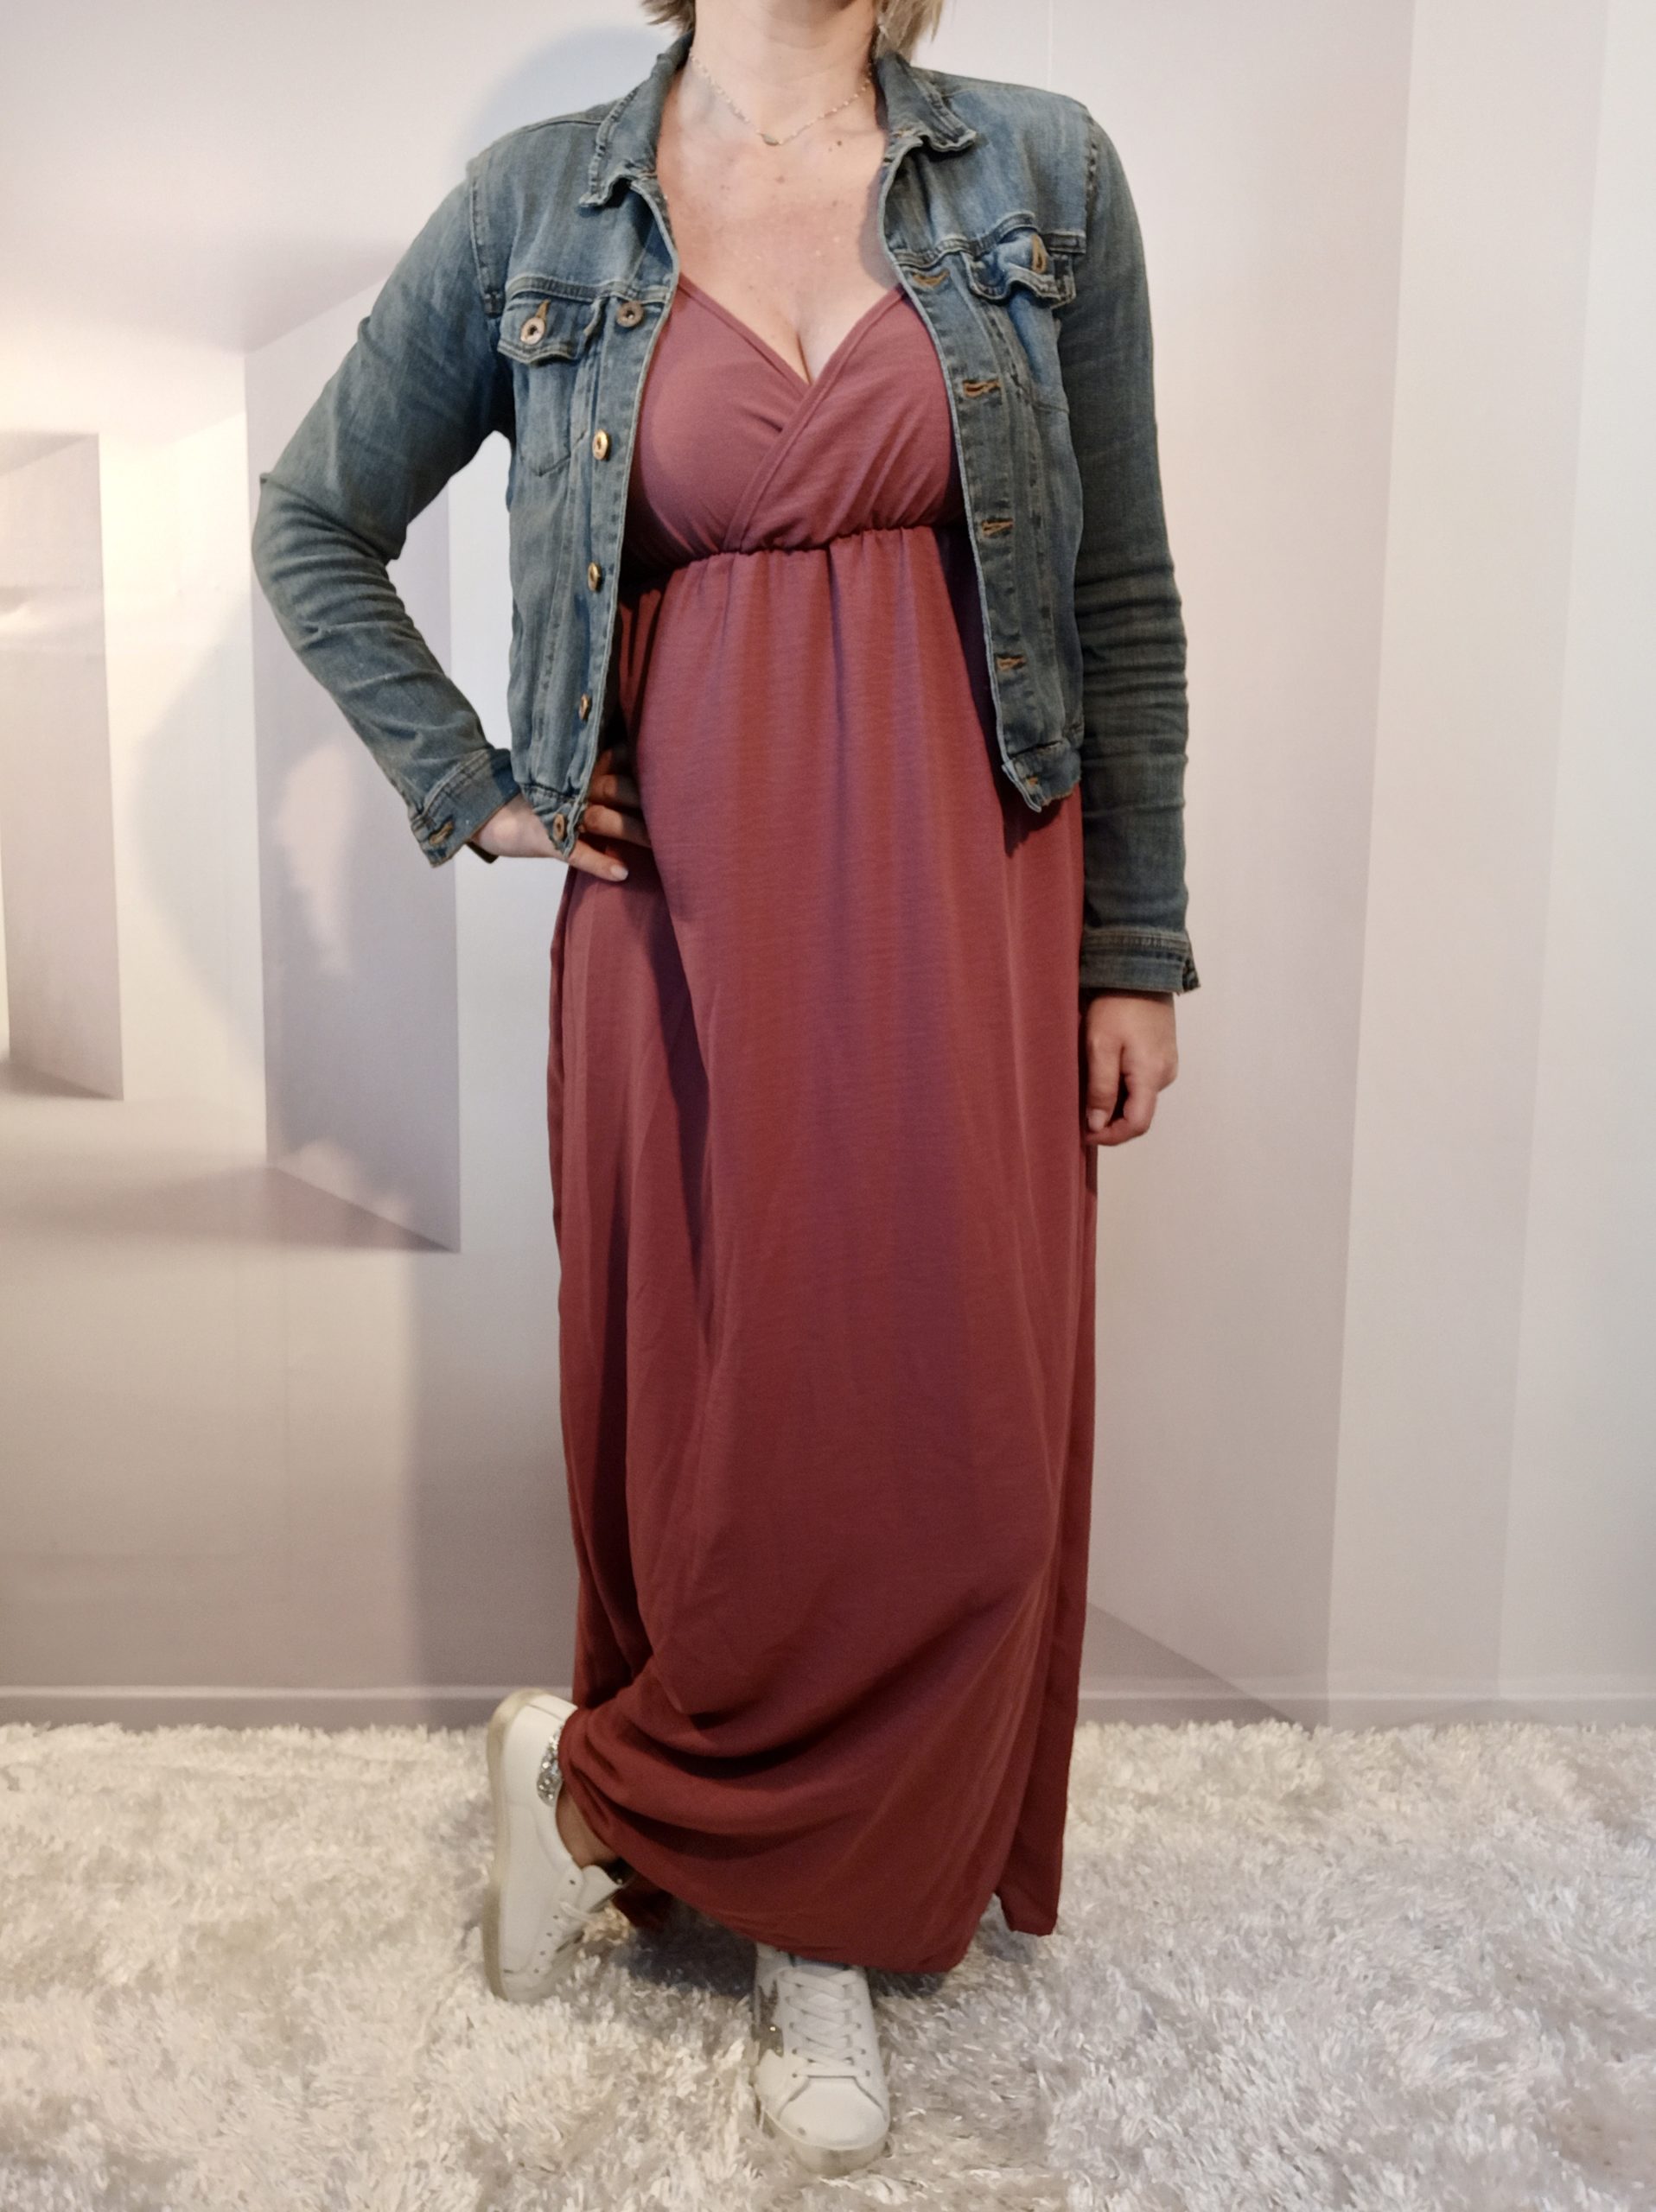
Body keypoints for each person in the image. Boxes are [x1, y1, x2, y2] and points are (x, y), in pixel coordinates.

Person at [251, 0, 1197, 2177]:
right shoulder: (537, 205)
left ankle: (602, 1794)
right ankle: (797, 1922)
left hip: (977, 885)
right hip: (686, 901)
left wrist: (1132, 939)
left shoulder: (1041, 172)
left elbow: (1121, 588)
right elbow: (314, 518)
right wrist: (474, 785)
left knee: (959, 1431)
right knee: (737, 1418)